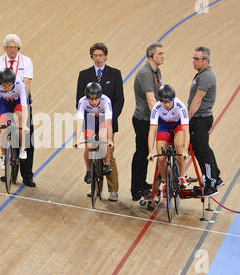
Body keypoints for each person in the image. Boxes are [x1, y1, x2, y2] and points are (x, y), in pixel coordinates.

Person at [76, 42, 124, 201]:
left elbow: (119, 100)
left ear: (105, 56)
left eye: (100, 55)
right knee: (91, 149)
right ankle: (95, 187)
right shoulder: (84, 75)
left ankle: (113, 189)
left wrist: (108, 117)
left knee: (107, 152)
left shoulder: (115, 74)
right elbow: (79, 99)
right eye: (95, 56)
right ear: (92, 57)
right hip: (90, 118)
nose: (98, 58)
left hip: (107, 120)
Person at [0, 34, 36, 187]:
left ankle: (27, 175)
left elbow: (27, 83)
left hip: (21, 98)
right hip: (4, 98)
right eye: (9, 47)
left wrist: (23, 100)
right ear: (5, 48)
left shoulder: (26, 61)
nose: (12, 50)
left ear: (18, 48)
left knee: (26, 133)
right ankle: (9, 169)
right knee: (4, 128)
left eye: (14, 47)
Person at [131, 42, 165, 201]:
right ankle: (136, 188)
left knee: (144, 152)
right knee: (142, 153)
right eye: (160, 54)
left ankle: (142, 183)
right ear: (151, 56)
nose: (163, 56)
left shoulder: (156, 71)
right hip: (144, 119)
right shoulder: (145, 73)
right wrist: (162, 118)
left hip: (150, 119)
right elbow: (151, 100)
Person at [187, 46, 222, 197]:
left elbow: (198, 98)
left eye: (197, 59)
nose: (194, 62)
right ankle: (215, 176)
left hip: (200, 119)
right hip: (200, 118)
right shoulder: (201, 75)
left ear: (206, 60)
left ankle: (211, 183)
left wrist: (186, 119)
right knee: (202, 149)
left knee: (201, 150)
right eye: (193, 58)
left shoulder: (206, 76)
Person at [147, 85, 190, 191]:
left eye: (168, 102)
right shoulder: (156, 108)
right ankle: (166, 182)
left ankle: (182, 176)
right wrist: (150, 151)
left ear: (173, 99)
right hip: (163, 125)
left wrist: (185, 150)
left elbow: (186, 130)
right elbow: (152, 131)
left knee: (179, 146)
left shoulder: (180, 106)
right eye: (163, 102)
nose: (166, 105)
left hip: (178, 124)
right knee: (161, 158)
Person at [74, 82, 114, 184]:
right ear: (87, 98)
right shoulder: (82, 101)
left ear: (100, 96)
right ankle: (88, 171)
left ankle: (107, 164)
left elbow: (109, 123)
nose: (94, 102)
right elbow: (79, 122)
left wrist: (110, 139)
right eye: (91, 99)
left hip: (102, 118)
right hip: (90, 118)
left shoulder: (106, 101)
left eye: (96, 98)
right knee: (89, 146)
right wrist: (76, 139)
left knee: (103, 138)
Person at [0, 68, 29, 169]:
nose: (6, 88)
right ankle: (3, 156)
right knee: (2, 128)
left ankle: (23, 147)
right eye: (4, 86)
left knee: (17, 118)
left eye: (9, 85)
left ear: (14, 82)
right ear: (0, 83)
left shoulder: (21, 85)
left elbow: (24, 107)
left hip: (18, 101)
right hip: (4, 102)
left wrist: (24, 125)